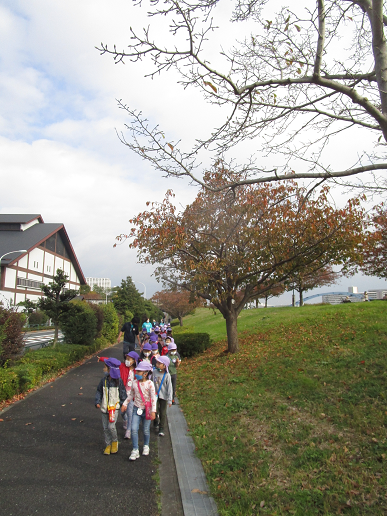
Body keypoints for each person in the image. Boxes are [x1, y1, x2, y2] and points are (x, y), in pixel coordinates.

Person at [121, 361, 156, 461]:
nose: (136, 373)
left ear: (145, 374)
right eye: (136, 371)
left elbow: (153, 398)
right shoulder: (134, 383)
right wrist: (125, 404)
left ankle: (146, 445)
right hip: (136, 409)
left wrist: (153, 411)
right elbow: (131, 395)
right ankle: (135, 449)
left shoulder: (150, 384)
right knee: (134, 429)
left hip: (147, 410)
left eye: (139, 372)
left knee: (145, 429)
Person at [95, 358, 126, 455]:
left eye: (105, 367)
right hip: (104, 408)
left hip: (114, 408)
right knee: (105, 428)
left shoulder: (119, 382)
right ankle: (108, 444)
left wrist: (122, 404)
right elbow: (99, 391)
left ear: (110, 369)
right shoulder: (103, 380)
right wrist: (97, 401)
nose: (103, 369)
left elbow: (123, 394)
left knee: (111, 426)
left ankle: (115, 441)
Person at [152, 356, 172, 436]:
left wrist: (170, 399)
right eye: (157, 363)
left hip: (164, 396)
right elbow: (151, 382)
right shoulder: (154, 372)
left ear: (164, 366)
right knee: (155, 409)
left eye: (159, 363)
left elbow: (169, 387)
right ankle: (156, 421)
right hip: (155, 396)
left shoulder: (167, 375)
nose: (157, 364)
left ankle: (161, 427)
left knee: (163, 412)